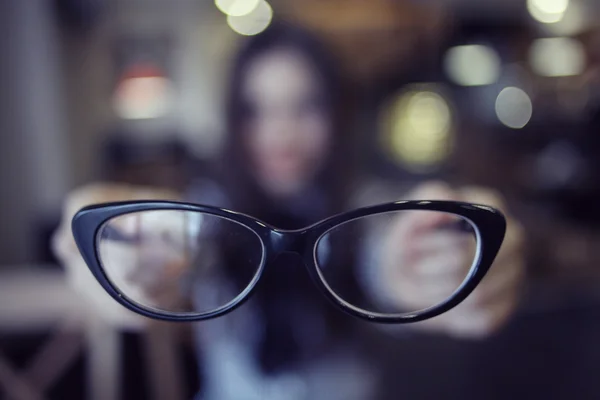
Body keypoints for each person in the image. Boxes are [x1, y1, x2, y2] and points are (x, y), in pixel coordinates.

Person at [53, 23, 524, 400]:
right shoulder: (210, 211)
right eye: (257, 111)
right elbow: (186, 254)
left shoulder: (364, 208)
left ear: (336, 114)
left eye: (304, 107)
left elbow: (380, 253)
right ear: (235, 123)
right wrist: (125, 260)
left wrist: (431, 270)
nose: (280, 134)